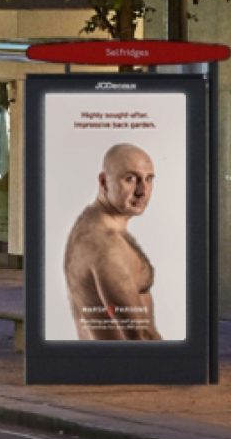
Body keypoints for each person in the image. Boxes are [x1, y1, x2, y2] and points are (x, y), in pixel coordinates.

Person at [62, 142, 160, 340]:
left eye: (148, 179)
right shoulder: (107, 246)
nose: (142, 191)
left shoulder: (91, 224)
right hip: (128, 368)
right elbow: (139, 336)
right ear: (104, 182)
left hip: (108, 364)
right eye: (130, 179)